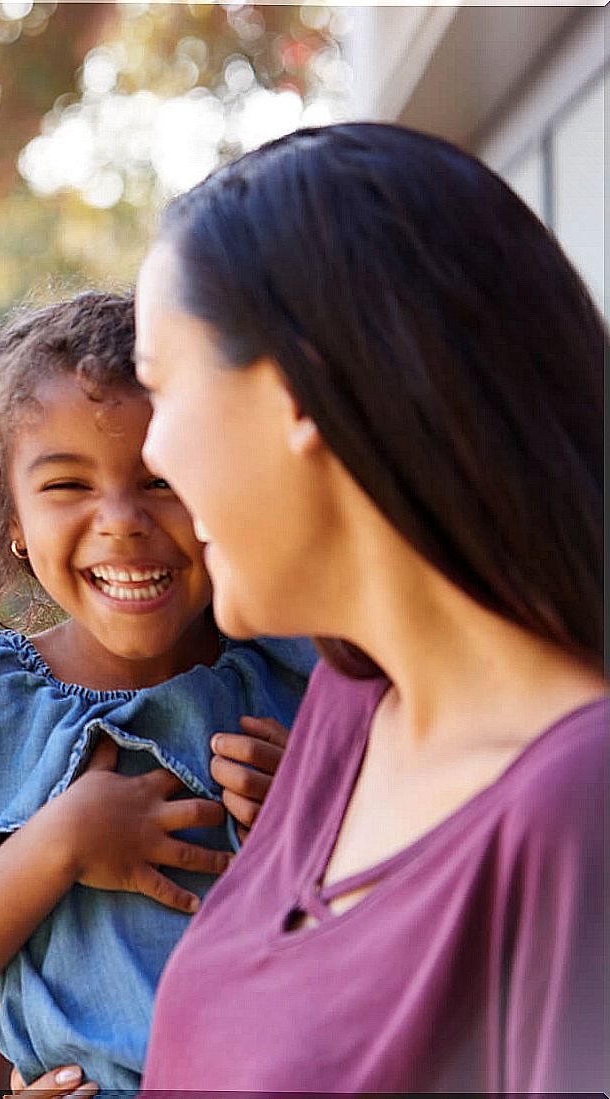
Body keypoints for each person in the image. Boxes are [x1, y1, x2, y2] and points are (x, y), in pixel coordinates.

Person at [132, 123, 606, 1092]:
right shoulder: (349, 704)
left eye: (159, 387)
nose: (151, 456)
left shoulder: (576, 806)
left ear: (298, 390)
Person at [0, 291, 316, 1091]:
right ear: (12, 519)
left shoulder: (293, 669)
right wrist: (58, 843)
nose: (121, 520)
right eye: (68, 485)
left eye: (160, 479)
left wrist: (313, 814)